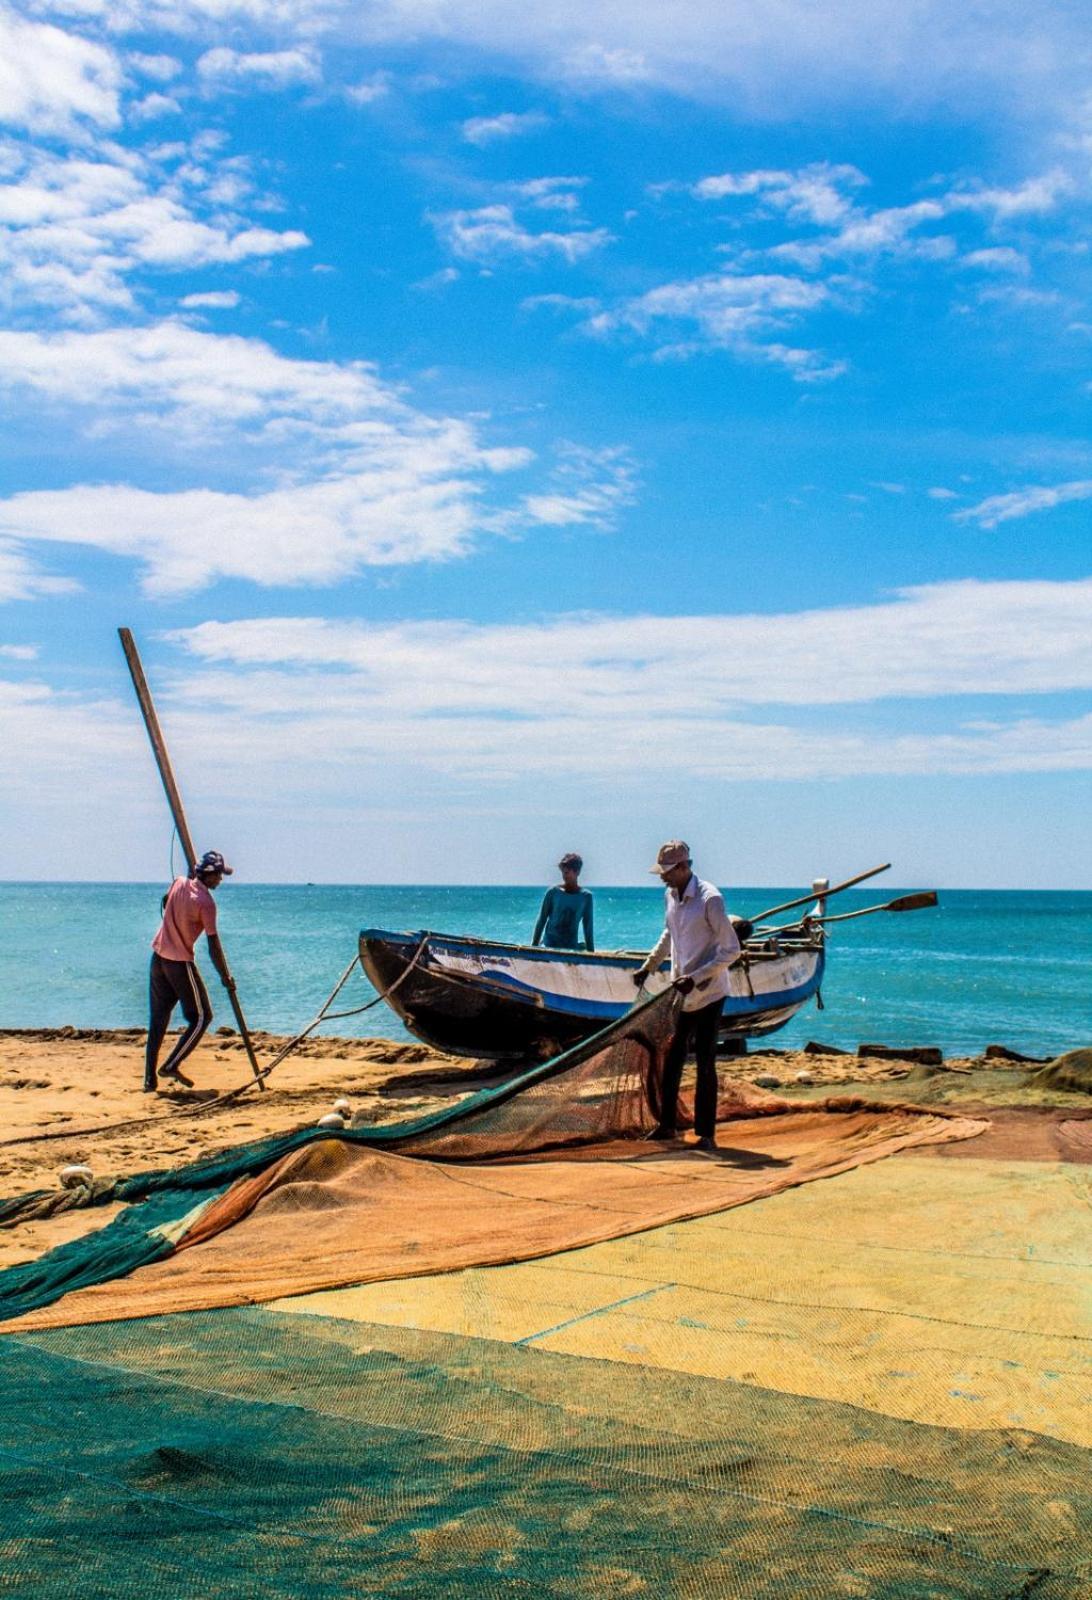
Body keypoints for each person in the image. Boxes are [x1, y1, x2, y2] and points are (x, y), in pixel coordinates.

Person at [632, 840, 741, 1152]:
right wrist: (648, 966)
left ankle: (706, 1134)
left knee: (705, 1060)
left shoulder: (710, 899)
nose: (663, 877)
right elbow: (669, 935)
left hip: (709, 993)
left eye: (667, 871)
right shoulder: (670, 895)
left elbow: (731, 950)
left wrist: (695, 978)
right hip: (681, 992)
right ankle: (667, 1125)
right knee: (673, 1056)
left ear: (684, 867)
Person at [144, 850, 236, 1092]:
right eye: (218, 876)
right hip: (179, 962)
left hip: (158, 958)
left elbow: (166, 901)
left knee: (159, 1019)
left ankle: (149, 1080)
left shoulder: (179, 883)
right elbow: (213, 945)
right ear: (209, 876)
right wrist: (225, 976)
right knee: (202, 1016)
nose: (221, 881)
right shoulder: (206, 903)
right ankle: (171, 1065)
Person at [531, 852, 595, 951]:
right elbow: (541, 920)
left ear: (577, 872)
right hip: (549, 946)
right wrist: (533, 948)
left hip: (571, 948)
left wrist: (592, 955)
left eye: (567, 873)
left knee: (583, 946)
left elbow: (588, 928)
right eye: (563, 873)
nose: (564, 876)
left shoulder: (586, 897)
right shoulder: (553, 892)